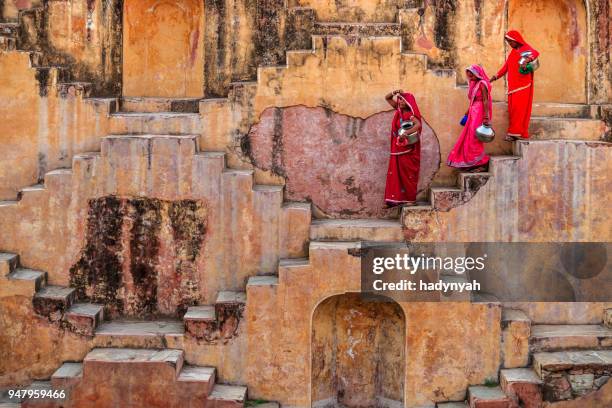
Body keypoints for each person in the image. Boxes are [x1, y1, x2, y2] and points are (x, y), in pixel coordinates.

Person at [491, 30, 540, 141]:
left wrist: (527, 59)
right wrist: (494, 77)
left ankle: (514, 133)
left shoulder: (525, 49)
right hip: (513, 87)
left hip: (523, 85)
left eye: (511, 42)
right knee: (513, 110)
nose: (510, 44)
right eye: (508, 42)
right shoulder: (513, 53)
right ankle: (518, 133)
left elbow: (535, 53)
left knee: (519, 110)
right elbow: (505, 68)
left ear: (516, 40)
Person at [447, 65, 492, 172]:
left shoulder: (482, 84)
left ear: (477, 74)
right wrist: (467, 112)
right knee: (469, 137)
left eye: (471, 75)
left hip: (480, 111)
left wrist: (486, 116)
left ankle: (481, 163)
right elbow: (473, 100)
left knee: (475, 137)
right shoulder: (474, 84)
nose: (469, 77)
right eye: (468, 75)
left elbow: (485, 100)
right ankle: (472, 162)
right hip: (474, 111)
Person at [383, 90, 422, 207]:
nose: (400, 102)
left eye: (403, 100)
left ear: (409, 103)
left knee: (407, 174)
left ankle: (410, 199)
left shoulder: (410, 114)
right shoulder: (399, 111)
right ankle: (393, 200)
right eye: (399, 99)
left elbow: (418, 125)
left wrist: (406, 133)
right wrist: (394, 92)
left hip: (407, 149)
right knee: (395, 174)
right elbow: (387, 98)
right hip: (397, 148)